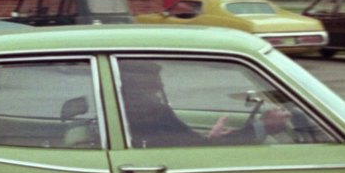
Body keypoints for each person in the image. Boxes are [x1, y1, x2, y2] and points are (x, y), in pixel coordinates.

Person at [119, 60, 291, 148]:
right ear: (133, 82)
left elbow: (191, 143)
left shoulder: (137, 107)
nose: (160, 86)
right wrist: (264, 127)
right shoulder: (148, 111)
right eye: (153, 80)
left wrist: (211, 137)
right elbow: (199, 149)